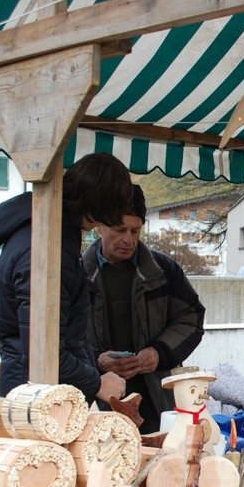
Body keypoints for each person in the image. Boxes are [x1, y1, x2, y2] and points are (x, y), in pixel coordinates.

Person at [0, 152, 131, 404]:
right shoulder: (51, 244)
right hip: (41, 398)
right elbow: (44, 350)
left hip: (30, 388)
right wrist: (96, 382)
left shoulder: (39, 227)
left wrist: (16, 353)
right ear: (103, 204)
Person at [82, 185, 207, 432]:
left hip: (157, 400)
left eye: (135, 230)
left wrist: (160, 353)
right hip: (96, 403)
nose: (128, 239)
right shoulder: (76, 275)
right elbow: (59, 337)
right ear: (99, 227)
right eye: (120, 230)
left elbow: (191, 317)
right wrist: (95, 360)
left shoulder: (164, 270)